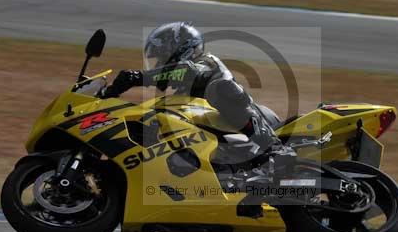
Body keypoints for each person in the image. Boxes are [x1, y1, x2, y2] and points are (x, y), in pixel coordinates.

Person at [102, 21, 279, 152]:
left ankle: (272, 147)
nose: (158, 65)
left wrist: (138, 77)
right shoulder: (183, 93)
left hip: (253, 120)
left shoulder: (205, 62)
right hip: (216, 135)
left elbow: (187, 71)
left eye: (162, 58)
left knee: (220, 89)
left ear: (181, 50)